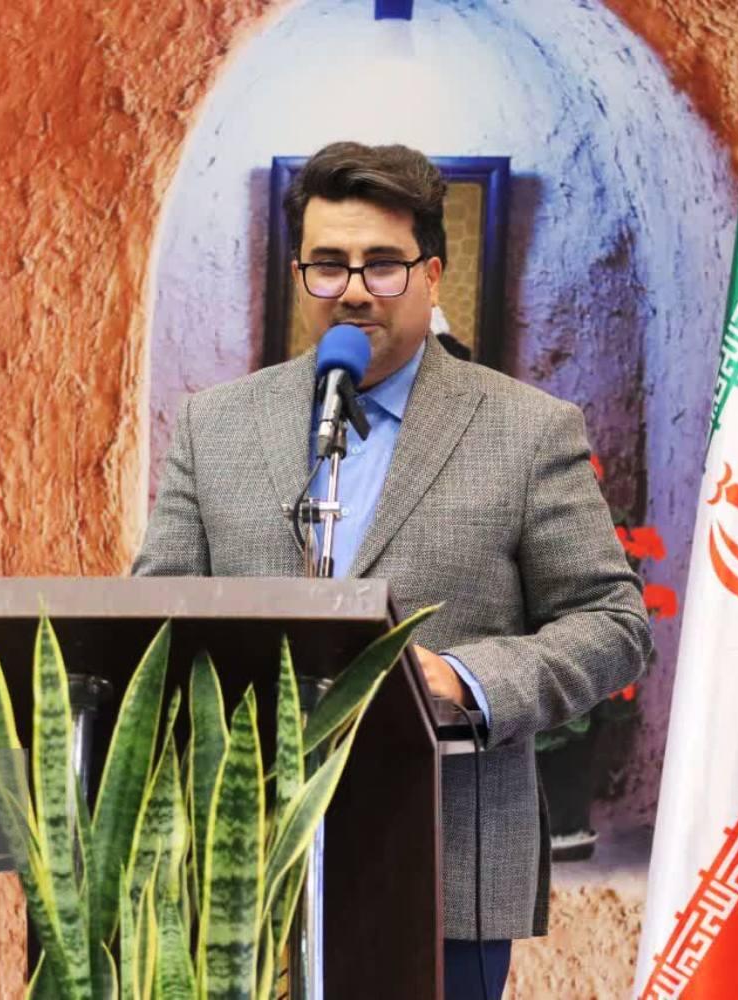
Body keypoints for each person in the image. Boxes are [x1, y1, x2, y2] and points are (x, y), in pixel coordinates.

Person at [133, 141, 651, 998]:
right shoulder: (214, 427)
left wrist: (462, 679)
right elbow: (158, 617)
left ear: (432, 274)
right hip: (242, 874)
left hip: (443, 866)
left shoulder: (528, 430)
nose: (354, 289)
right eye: (328, 265)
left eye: (382, 263)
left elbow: (613, 624)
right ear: (300, 274)